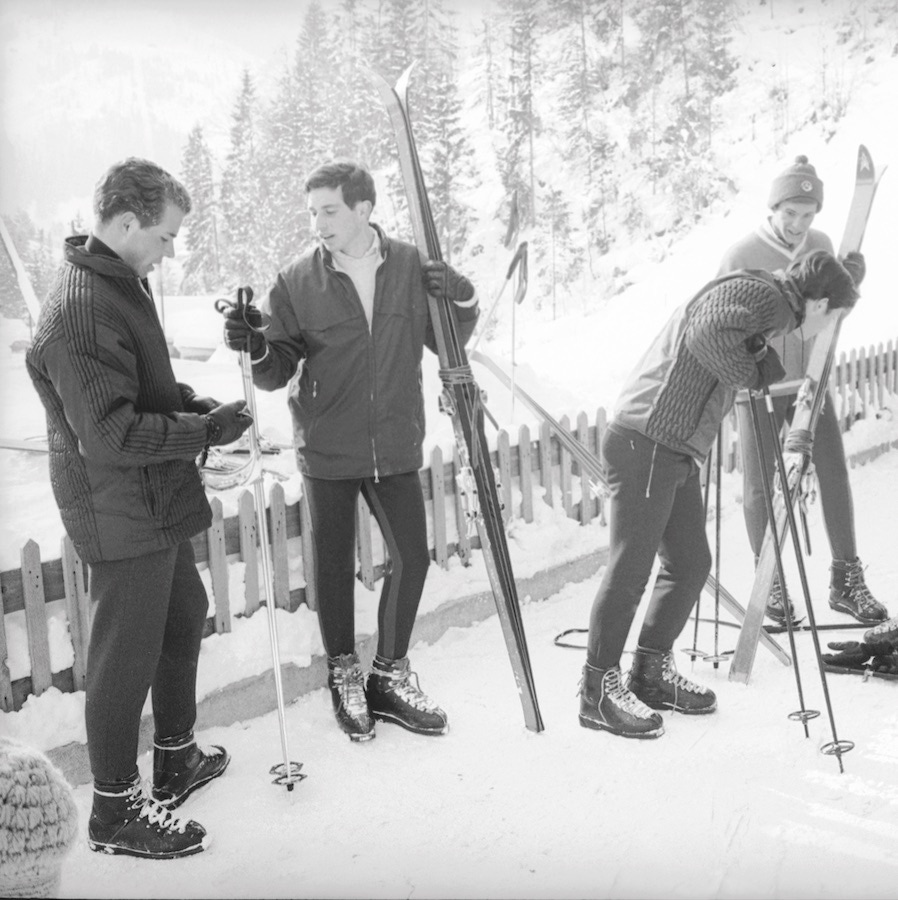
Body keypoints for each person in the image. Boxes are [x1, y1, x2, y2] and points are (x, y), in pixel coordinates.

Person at [25, 158, 252, 858]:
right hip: (118, 504)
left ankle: (176, 757)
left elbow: (139, 388)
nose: (170, 250)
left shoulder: (119, 284)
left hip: (150, 495)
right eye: (165, 235)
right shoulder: (81, 311)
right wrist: (204, 433)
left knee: (182, 617)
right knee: (125, 657)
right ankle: (115, 810)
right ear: (125, 223)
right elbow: (114, 433)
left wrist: (195, 405)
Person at [222, 160, 480, 743]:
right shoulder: (296, 281)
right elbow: (275, 369)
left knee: (412, 557)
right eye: (312, 211)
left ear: (364, 209)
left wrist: (461, 302)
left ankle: (389, 675)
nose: (318, 222)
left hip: (393, 442)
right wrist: (255, 347)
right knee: (334, 568)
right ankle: (344, 674)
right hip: (328, 446)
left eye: (329, 210)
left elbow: (447, 343)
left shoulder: (412, 266)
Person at [579, 250, 862, 739]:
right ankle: (596, 691)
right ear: (818, 303)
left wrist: (757, 354)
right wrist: (754, 371)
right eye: (834, 314)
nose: (830, 326)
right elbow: (707, 333)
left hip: (673, 448)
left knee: (690, 563)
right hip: (648, 439)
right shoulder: (770, 298)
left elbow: (720, 328)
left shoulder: (770, 296)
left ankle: (649, 671)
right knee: (631, 567)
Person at [718, 155, 888, 627]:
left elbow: (830, 313)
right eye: (789, 213)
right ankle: (768, 582)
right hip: (759, 385)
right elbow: (719, 325)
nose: (797, 225)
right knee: (759, 486)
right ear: (773, 209)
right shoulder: (741, 255)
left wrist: (850, 284)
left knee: (833, 469)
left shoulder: (821, 244)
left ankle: (845, 579)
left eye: (807, 216)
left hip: (809, 381)